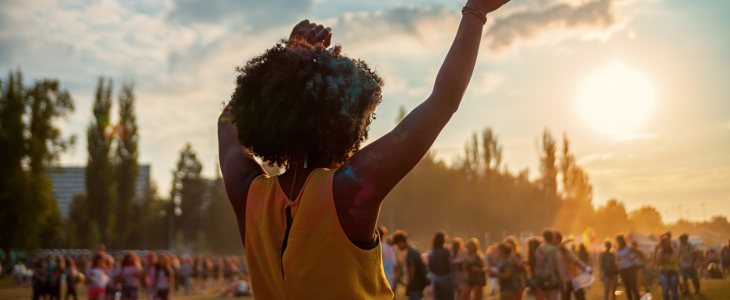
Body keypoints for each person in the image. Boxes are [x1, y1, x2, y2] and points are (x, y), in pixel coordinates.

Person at [217, 0, 511, 297]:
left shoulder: (248, 195)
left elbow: (226, 121)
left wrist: (286, 60)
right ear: (344, 123)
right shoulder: (348, 189)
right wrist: (476, 11)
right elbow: (444, 100)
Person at [553, 231, 590, 300]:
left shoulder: (564, 249)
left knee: (580, 297)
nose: (552, 240)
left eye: (553, 238)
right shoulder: (553, 250)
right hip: (563, 280)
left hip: (573, 278)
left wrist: (585, 268)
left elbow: (575, 260)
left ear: (558, 239)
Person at [392, 231, 429, 300]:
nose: (398, 248)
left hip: (415, 286)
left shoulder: (410, 253)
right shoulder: (414, 249)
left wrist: (408, 285)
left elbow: (412, 272)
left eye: (397, 245)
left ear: (401, 242)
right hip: (419, 285)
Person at [534, 230, 564, 300]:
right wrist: (563, 281)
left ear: (543, 237)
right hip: (552, 279)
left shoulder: (539, 249)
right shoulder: (554, 249)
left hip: (541, 279)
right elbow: (558, 267)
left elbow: (537, 264)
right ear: (552, 237)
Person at [428, 230, 454, 300]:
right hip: (446, 277)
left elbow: (430, 266)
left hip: (436, 278)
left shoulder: (431, 252)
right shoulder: (446, 251)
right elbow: (450, 265)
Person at [615, 234, 640, 300]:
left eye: (621, 239)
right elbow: (618, 258)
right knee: (627, 287)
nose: (619, 241)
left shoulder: (628, 248)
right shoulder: (618, 249)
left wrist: (633, 259)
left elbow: (639, 253)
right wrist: (618, 261)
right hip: (623, 269)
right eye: (618, 240)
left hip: (630, 267)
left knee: (633, 286)